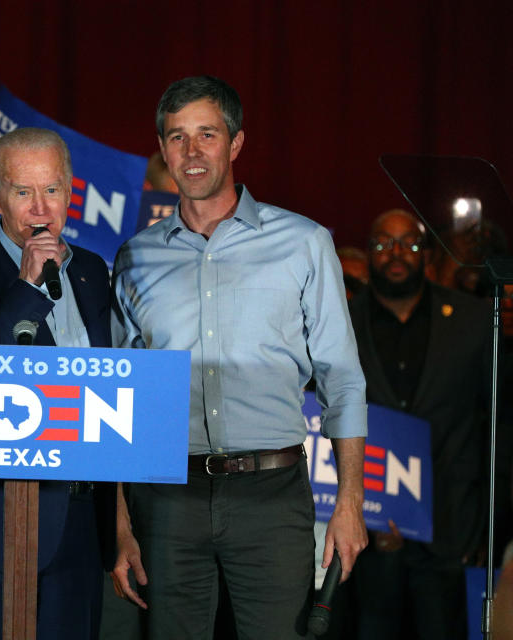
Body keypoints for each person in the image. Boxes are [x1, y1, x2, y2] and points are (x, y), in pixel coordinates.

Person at [110, 76, 368, 639]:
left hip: (271, 497)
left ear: (236, 143)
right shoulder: (134, 258)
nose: (192, 151)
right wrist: (122, 525)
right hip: (167, 499)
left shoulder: (304, 242)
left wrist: (350, 499)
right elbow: (120, 401)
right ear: (162, 149)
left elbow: (342, 379)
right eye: (177, 137)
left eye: (208, 133)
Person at [0, 127, 117, 640]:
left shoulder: (94, 272)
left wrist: (119, 523)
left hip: (77, 520)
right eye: (23, 191)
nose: (39, 209)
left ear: (71, 191)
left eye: (52, 190)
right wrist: (27, 288)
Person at [347, 209, 492, 638]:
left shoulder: (474, 321)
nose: (396, 253)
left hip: (450, 535)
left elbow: (494, 424)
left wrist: (487, 524)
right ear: (369, 253)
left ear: (427, 254)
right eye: (382, 244)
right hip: (365, 536)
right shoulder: (340, 322)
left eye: (409, 244)